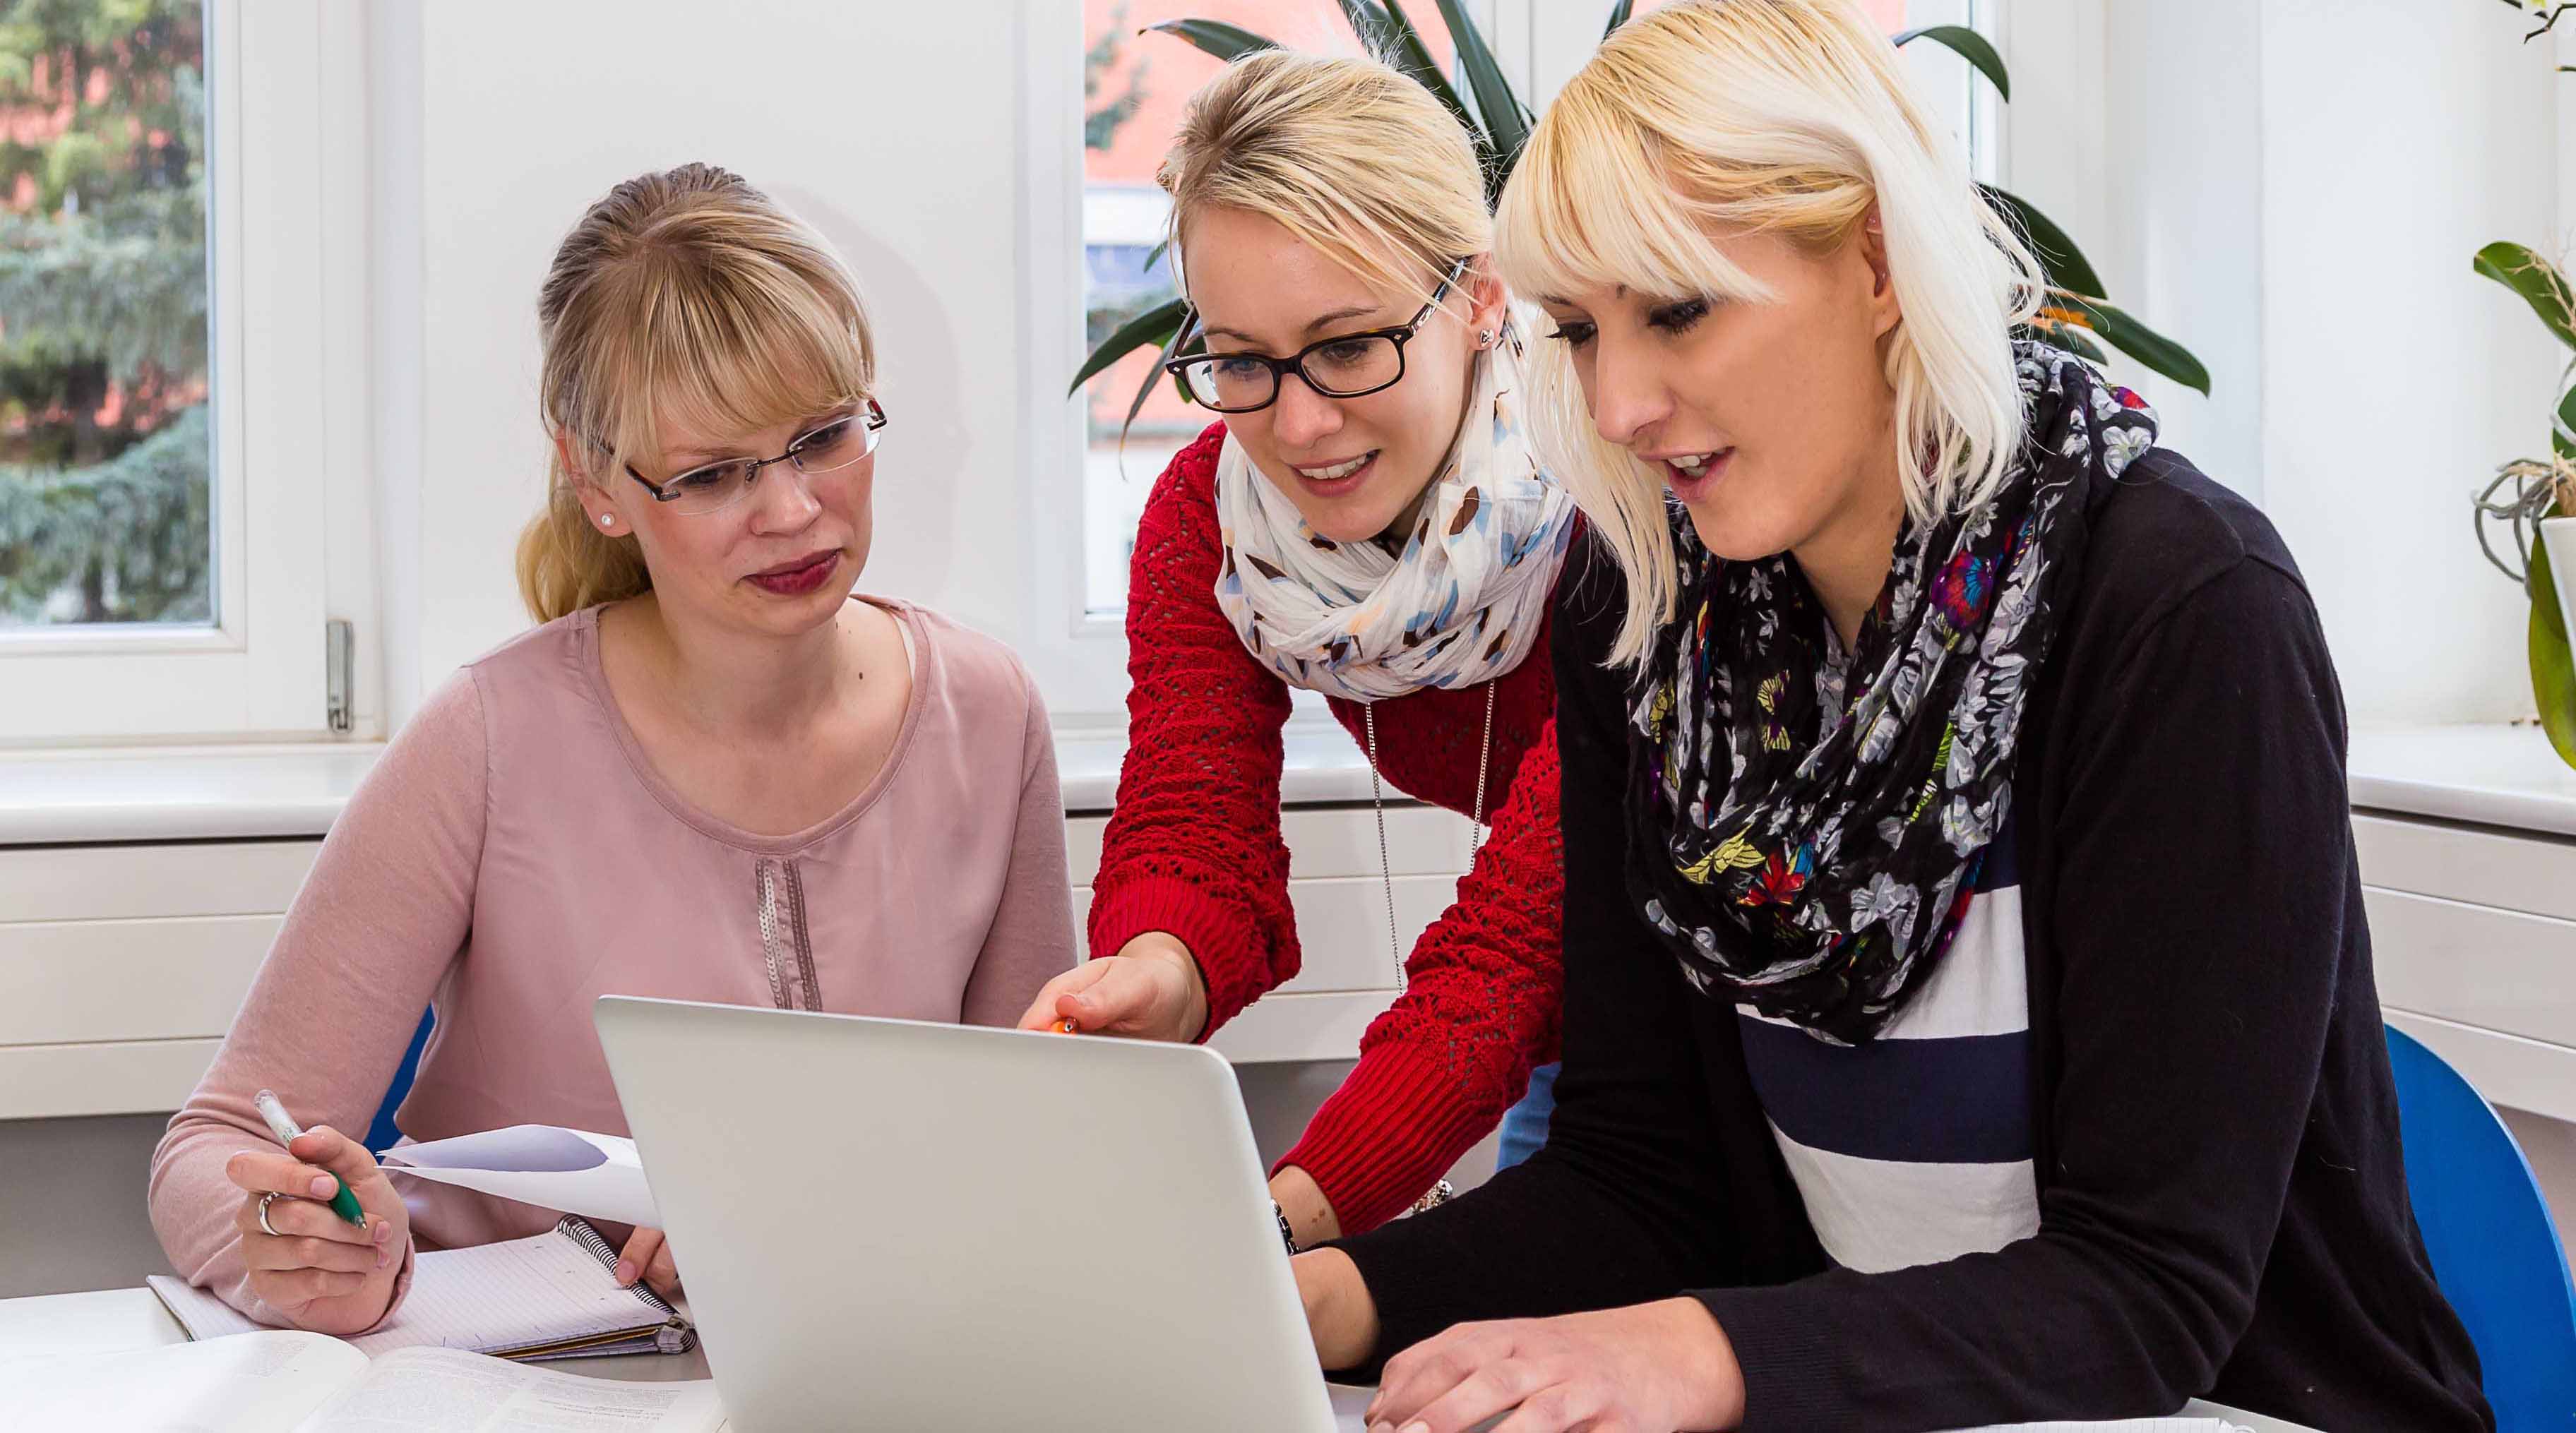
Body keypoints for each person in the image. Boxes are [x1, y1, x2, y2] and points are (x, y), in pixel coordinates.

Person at [1294, 4, 2494, 1429]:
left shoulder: (2180, 608)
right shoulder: (1644, 623)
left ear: (1874, 259)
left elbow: (2153, 1289)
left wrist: (1708, 1356)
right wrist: (1330, 1294)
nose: (1617, 402)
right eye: (1578, 332)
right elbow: (1643, 1176)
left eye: (1676, 306)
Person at [148, 164, 1076, 1336]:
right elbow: (216, 1143)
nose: (793, 510)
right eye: (711, 474)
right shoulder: (488, 740)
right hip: (519, 1393)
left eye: (824, 435)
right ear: (597, 485)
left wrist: (818, 1223)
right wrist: (282, 1244)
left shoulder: (989, 719)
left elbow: (1038, 1157)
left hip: (867, 1377)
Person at [1013, 49, 1578, 1245]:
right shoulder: (1211, 523)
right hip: (1576, 1031)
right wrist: (1153, 972)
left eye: (1349, 344)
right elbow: (1192, 821)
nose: (1301, 422)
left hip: (1777, 1010)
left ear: (1478, 297)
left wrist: (1267, 1230)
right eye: (1241, 359)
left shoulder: (1620, 506)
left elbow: (1517, 945)